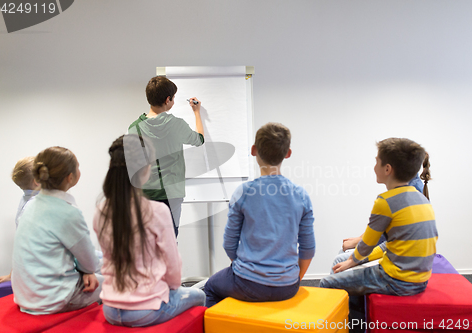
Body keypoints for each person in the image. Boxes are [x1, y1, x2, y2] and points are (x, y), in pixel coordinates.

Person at [319, 138, 437, 332]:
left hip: (396, 280)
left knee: (327, 283)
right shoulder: (421, 198)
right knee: (350, 276)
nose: (374, 166)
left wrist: (350, 262)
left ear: (387, 169)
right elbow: (389, 245)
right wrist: (353, 261)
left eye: (376, 161)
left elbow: (367, 244)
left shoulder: (385, 201)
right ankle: (359, 325)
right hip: (421, 280)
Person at [94, 135, 205, 327]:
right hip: (145, 310)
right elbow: (173, 267)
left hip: (110, 308)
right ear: (146, 170)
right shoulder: (157, 211)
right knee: (200, 294)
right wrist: (169, 289)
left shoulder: (101, 210)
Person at [204, 123, 316, 307]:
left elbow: (229, 244)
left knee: (210, 287)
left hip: (246, 282)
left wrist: (244, 270)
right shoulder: (301, 195)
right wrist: (295, 278)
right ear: (288, 153)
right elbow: (308, 248)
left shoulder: (243, 192)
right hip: (288, 286)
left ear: (254, 150)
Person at [12, 147, 102, 314]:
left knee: (100, 263)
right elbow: (89, 262)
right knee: (114, 277)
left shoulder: (30, 205)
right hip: (51, 299)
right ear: (70, 177)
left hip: (25, 296)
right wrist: (88, 270)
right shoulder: (68, 212)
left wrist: (88, 269)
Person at [128, 76, 205, 237]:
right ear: (168, 99)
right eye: (174, 98)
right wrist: (197, 113)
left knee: (148, 241)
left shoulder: (134, 128)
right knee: (170, 239)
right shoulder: (177, 124)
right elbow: (199, 139)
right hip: (172, 194)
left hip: (146, 193)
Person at [330, 154, 432, 274]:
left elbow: (390, 239)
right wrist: (360, 240)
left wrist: (358, 249)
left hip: (395, 256)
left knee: (339, 260)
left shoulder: (409, 192)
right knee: (343, 255)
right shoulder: (406, 187)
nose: (376, 167)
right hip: (389, 248)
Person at [0, 157, 41, 286]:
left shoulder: (26, 197)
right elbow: (22, 244)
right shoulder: (33, 206)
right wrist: (13, 274)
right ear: (36, 181)